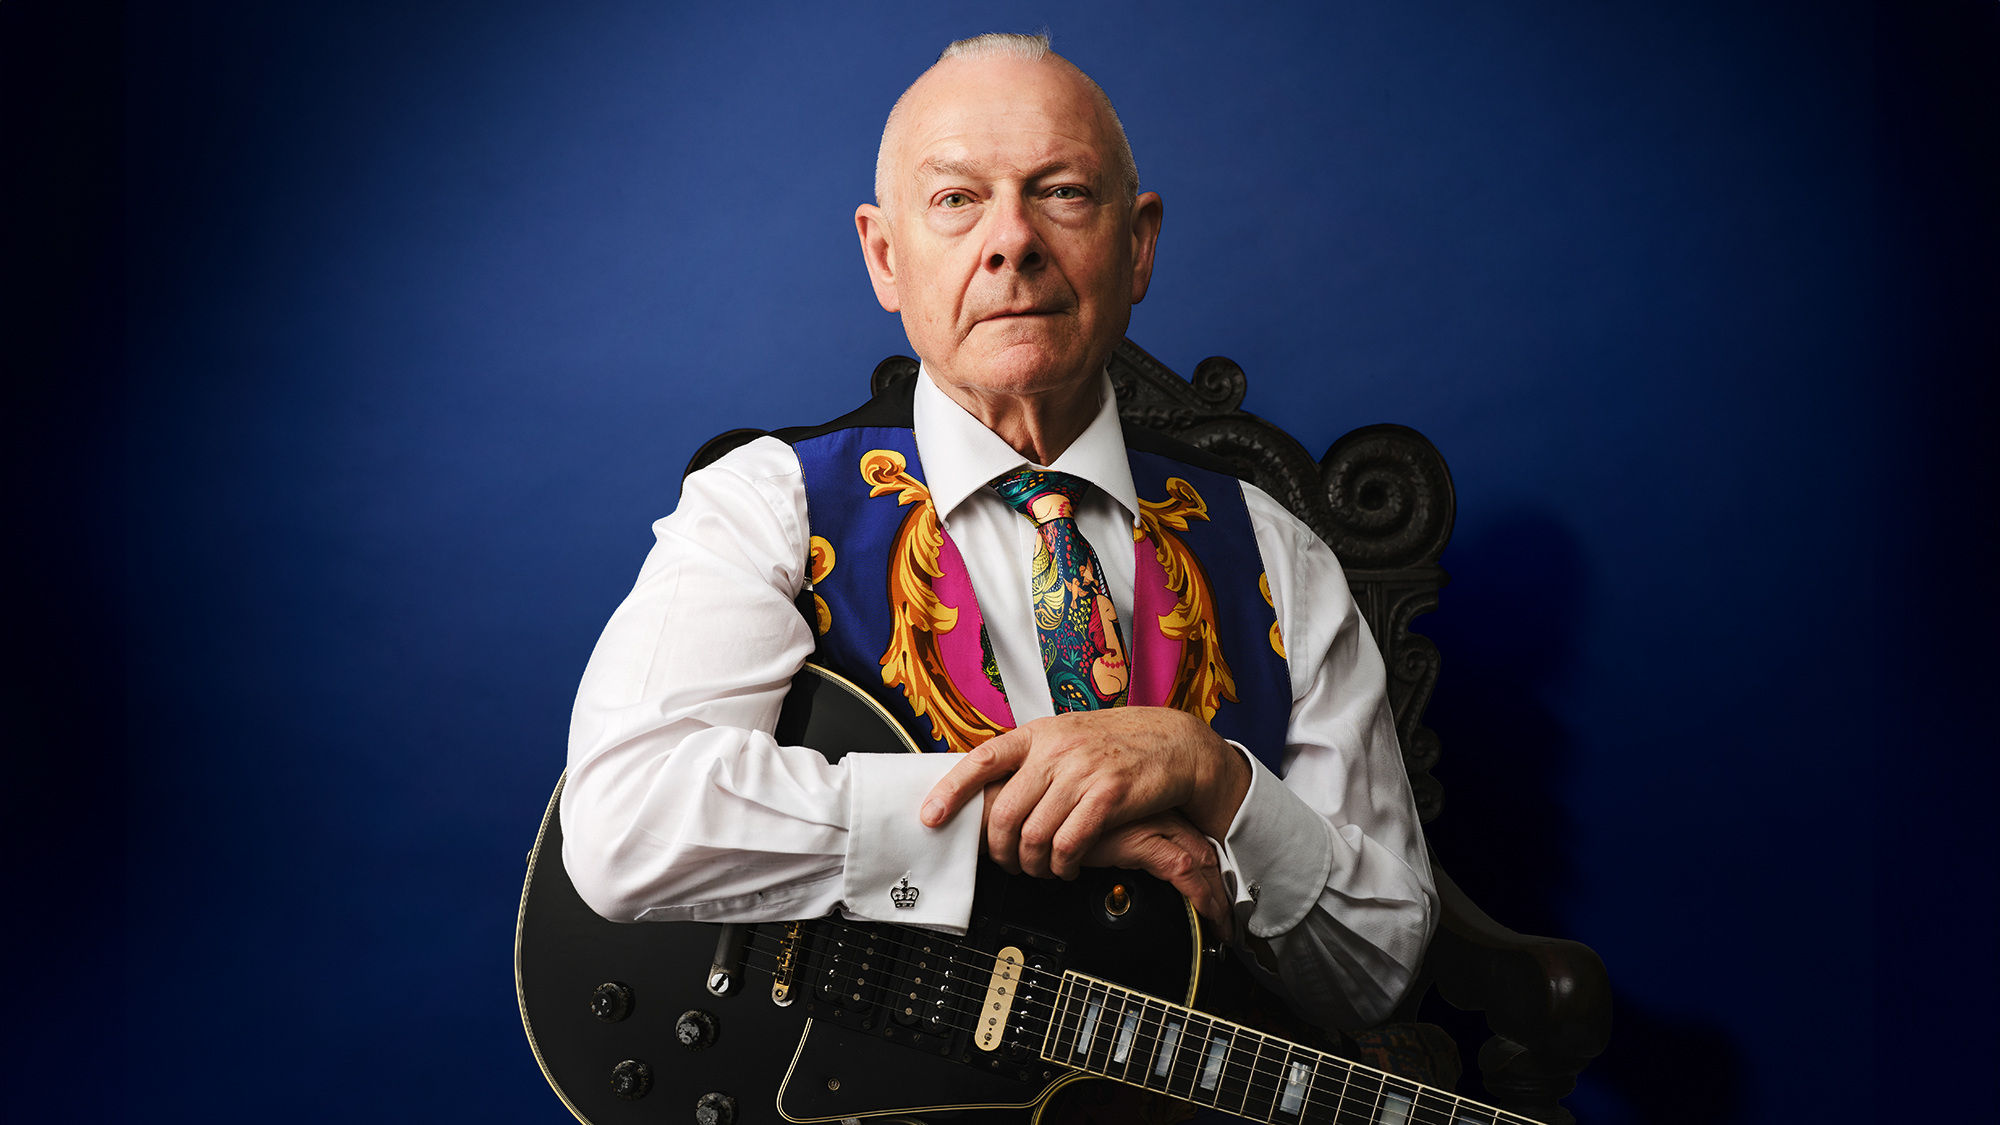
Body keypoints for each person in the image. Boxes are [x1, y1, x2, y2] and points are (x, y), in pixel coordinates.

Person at [561, 32, 1436, 1036]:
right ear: (884, 256)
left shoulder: (1272, 551)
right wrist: (991, 814)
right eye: (955, 199)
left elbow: (1379, 972)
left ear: (1138, 244)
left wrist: (1219, 779)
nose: (1011, 239)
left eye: (1061, 191)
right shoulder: (765, 505)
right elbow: (625, 824)